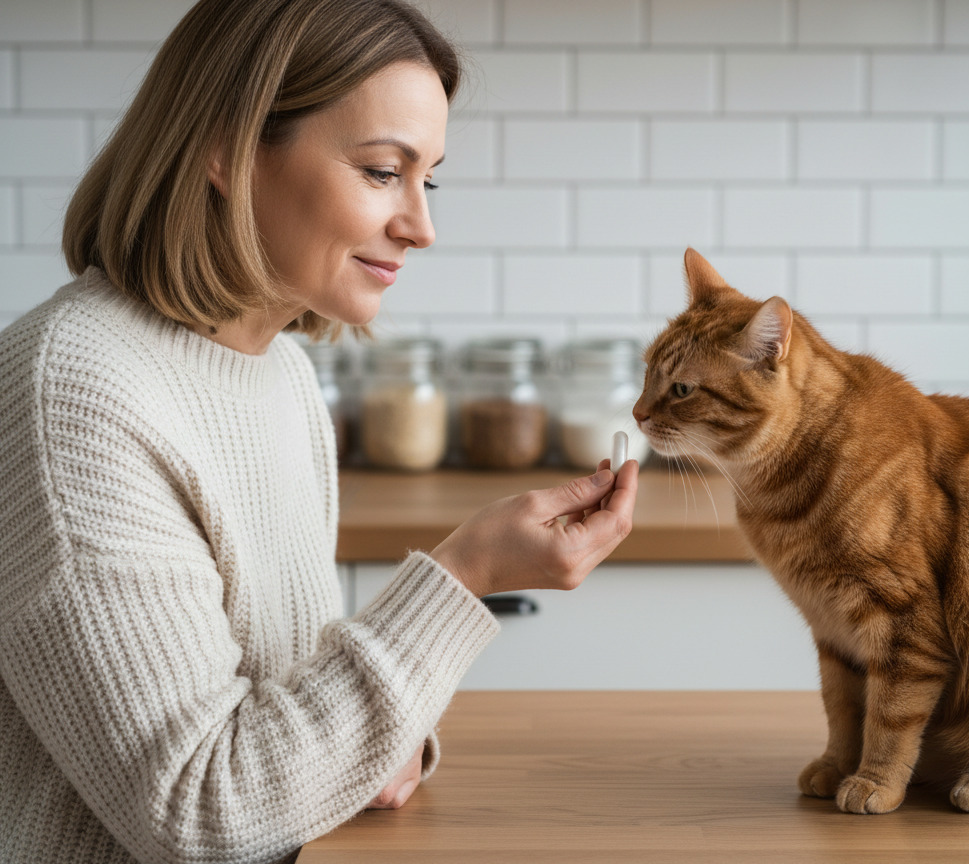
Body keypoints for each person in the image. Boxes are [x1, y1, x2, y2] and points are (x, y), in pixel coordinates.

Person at [0, 1, 639, 862]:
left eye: (429, 179)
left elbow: (281, 715)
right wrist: (468, 572)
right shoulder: (74, 390)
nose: (421, 225)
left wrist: (374, 746)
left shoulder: (285, 379)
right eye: (382, 171)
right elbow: (204, 814)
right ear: (225, 149)